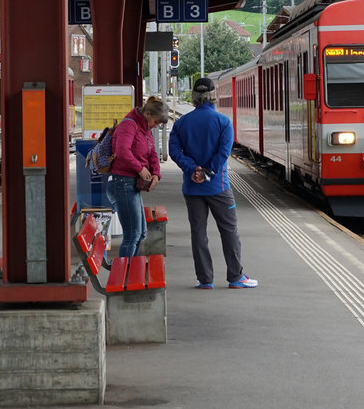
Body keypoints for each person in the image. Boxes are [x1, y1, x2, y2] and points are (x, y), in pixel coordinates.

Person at [169, 77, 257, 289]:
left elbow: (174, 151)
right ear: (213, 96)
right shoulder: (223, 122)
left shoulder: (181, 123)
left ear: (194, 96)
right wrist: (208, 172)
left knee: (198, 233)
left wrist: (193, 169)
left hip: (192, 187)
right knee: (229, 230)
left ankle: (205, 280)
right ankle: (236, 277)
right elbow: (223, 153)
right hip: (218, 186)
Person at [107, 96, 169, 259]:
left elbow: (152, 153)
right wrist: (140, 168)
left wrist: (156, 173)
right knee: (132, 235)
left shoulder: (145, 129)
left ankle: (129, 270)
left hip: (131, 184)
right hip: (122, 182)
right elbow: (122, 151)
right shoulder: (129, 125)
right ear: (147, 114)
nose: (155, 126)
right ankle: (123, 275)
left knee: (140, 233)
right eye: (156, 122)